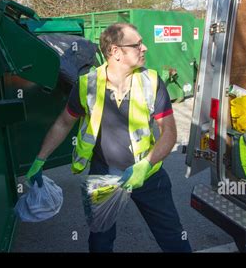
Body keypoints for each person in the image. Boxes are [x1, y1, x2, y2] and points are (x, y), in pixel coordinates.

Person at [25, 23, 192, 253]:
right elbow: (64, 122)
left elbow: (170, 132)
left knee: (173, 237)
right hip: (103, 175)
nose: (144, 48)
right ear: (115, 52)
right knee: (100, 241)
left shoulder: (151, 81)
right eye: (137, 44)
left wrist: (146, 165)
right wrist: (40, 160)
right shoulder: (87, 84)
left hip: (148, 175)